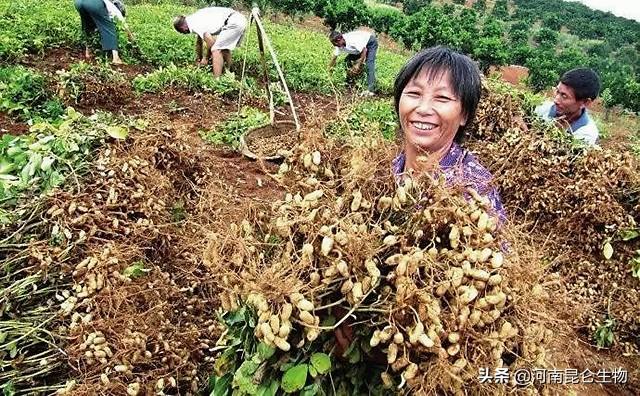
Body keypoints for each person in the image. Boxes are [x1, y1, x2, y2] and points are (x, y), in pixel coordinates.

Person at [390, 46, 506, 224]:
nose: (423, 109)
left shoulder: (475, 189)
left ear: (464, 114)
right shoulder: (386, 168)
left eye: (442, 98)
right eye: (414, 93)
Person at [173, 7, 247, 77]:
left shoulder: (194, 24)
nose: (185, 33)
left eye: (182, 32)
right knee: (223, 48)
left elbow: (210, 41)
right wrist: (199, 58)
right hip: (237, 19)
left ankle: (216, 81)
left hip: (233, 22)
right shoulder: (193, 19)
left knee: (216, 50)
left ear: (182, 28)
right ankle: (228, 73)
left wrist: (206, 58)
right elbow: (199, 42)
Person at [534, 68, 601, 146]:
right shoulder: (543, 109)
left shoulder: (586, 134)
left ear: (585, 102)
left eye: (564, 96)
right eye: (557, 91)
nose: (556, 100)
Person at [74, 0, 133, 64]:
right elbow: (125, 27)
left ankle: (88, 52)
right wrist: (132, 39)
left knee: (88, 26)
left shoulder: (107, 5)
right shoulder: (116, 11)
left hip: (79, 2)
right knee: (110, 27)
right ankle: (116, 58)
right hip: (93, 3)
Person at [328, 30, 378, 97]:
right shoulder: (339, 45)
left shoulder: (352, 41)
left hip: (370, 42)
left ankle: (371, 90)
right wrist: (329, 72)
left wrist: (358, 65)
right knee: (347, 62)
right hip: (358, 49)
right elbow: (334, 59)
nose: (335, 46)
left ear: (340, 39)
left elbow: (364, 50)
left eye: (335, 44)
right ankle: (350, 83)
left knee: (369, 64)